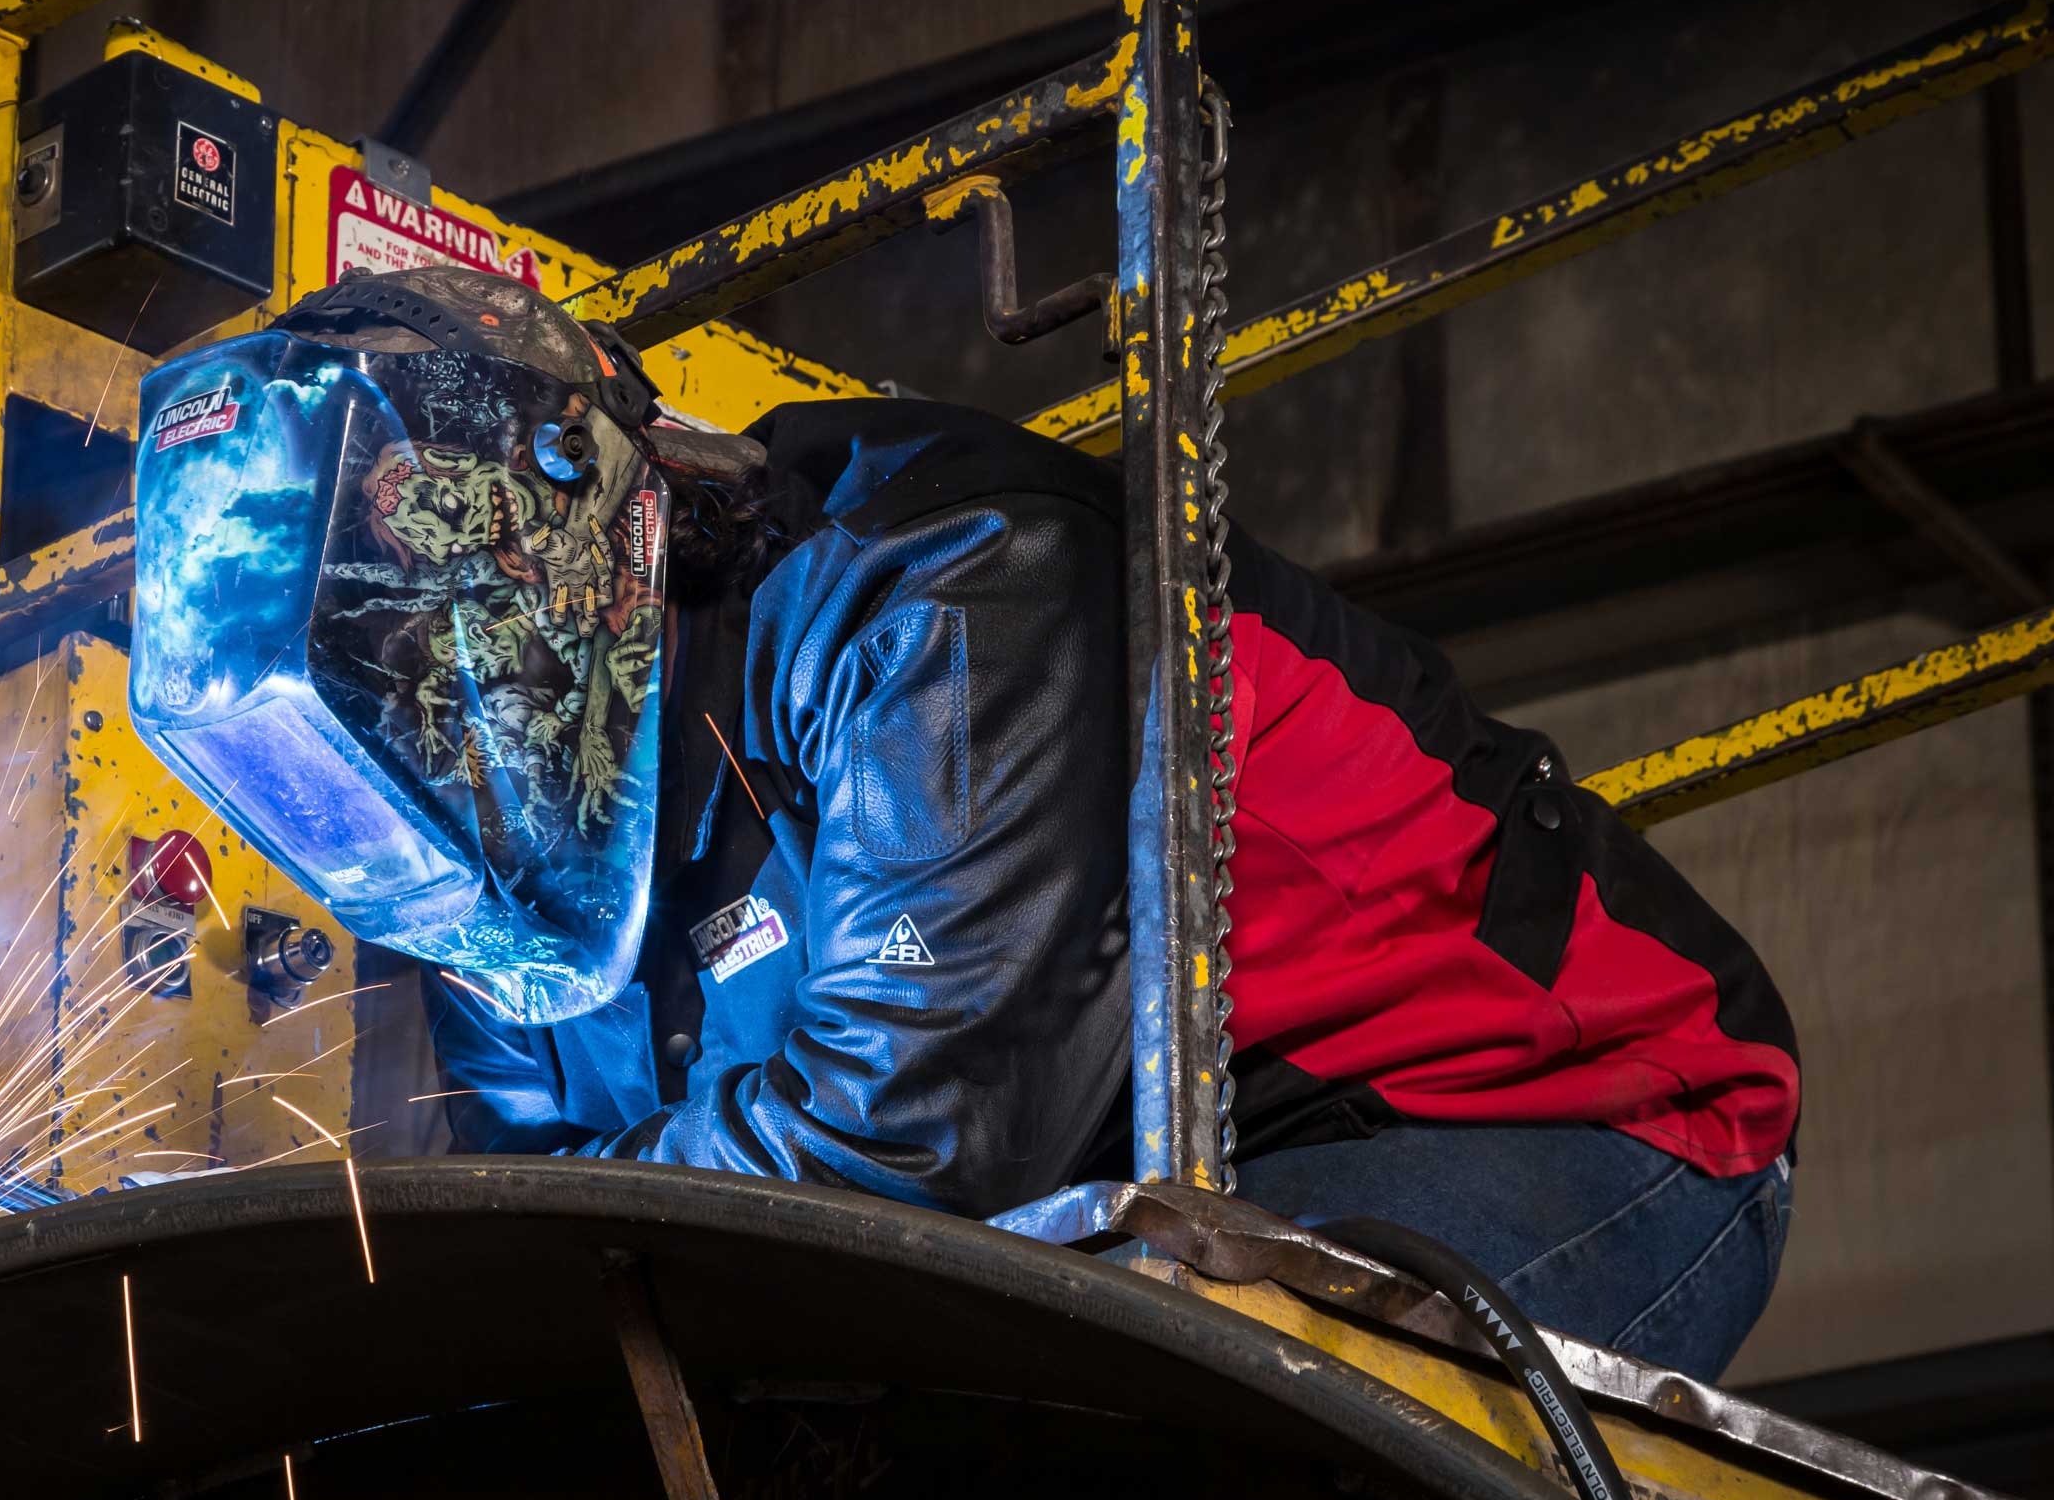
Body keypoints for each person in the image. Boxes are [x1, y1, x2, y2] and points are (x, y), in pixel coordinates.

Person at [124, 265, 1798, 1379]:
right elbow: (540, 1218)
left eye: (433, 696)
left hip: (1560, 1117)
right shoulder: (507, 878)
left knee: (1145, 1434)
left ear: (545, 544)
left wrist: (535, 1264)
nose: (444, 774)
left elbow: (905, 1150)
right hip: (1161, 1189)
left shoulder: (941, 596)